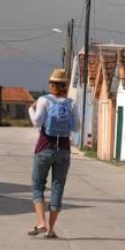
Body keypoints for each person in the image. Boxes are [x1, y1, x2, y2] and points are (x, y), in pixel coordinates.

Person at [26, 68, 81, 239]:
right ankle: (50, 229)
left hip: (44, 147)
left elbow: (37, 122)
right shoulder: (71, 103)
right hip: (63, 149)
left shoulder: (44, 100)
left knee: (38, 186)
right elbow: (77, 127)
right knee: (57, 188)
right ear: (64, 85)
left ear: (51, 84)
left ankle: (41, 222)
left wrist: (31, 109)